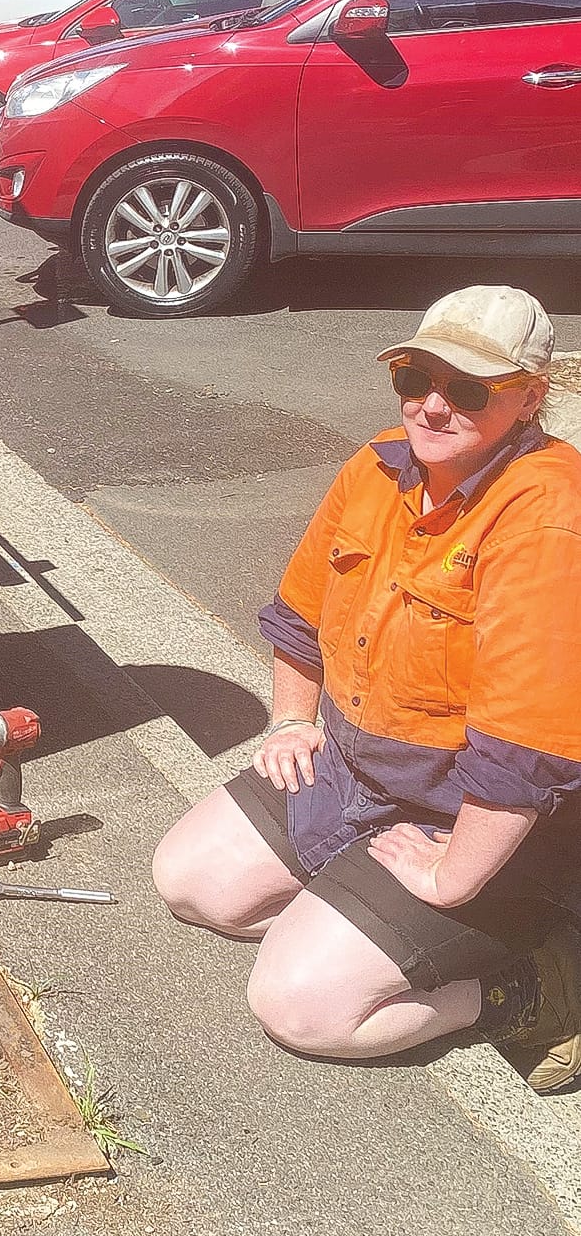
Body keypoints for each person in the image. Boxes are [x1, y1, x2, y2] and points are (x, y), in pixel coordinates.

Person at [153, 286, 581, 1094]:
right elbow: (297, 617)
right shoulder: (379, 464)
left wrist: (452, 876)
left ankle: (540, 985)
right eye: (415, 376)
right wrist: (289, 720)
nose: (431, 404)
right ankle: (358, 919)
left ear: (530, 397)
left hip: (475, 812)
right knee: (192, 882)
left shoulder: (548, 515)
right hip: (357, 766)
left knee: (301, 1004)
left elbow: (524, 751)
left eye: (468, 388)